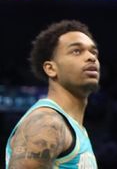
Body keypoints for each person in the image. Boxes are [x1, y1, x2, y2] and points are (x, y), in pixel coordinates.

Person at [5, 20, 99, 169]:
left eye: (93, 52)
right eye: (76, 51)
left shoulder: (73, 128)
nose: (91, 57)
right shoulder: (47, 122)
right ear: (51, 69)